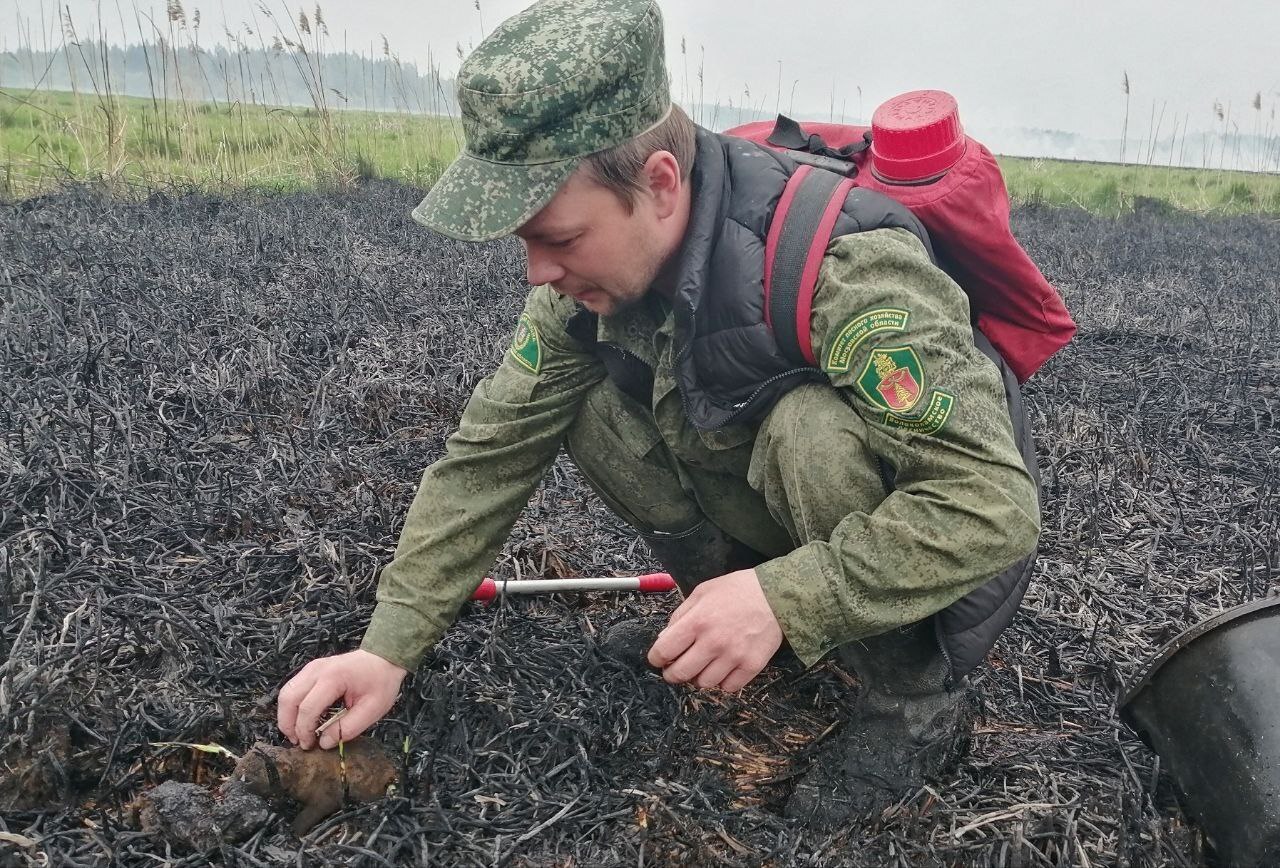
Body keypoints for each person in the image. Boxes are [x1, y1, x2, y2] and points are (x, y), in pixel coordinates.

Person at [276, 0, 1041, 823]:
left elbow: (990, 506)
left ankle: (909, 703)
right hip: (761, 507)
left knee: (812, 433)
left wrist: (791, 597)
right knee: (586, 408)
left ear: (660, 185)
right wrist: (387, 647)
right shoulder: (582, 297)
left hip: (913, 548)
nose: (538, 272)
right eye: (523, 244)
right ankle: (726, 628)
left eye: (560, 238)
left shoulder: (846, 270)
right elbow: (487, 457)